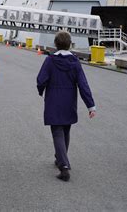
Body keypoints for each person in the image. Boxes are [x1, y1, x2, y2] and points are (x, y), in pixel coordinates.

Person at [36, 31, 96, 181]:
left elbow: (41, 79)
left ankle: (63, 166)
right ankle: (60, 158)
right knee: (66, 129)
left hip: (53, 99)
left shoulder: (50, 60)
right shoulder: (75, 62)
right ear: (70, 44)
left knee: (57, 132)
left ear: (55, 44)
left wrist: (41, 90)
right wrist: (91, 106)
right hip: (69, 100)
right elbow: (83, 84)